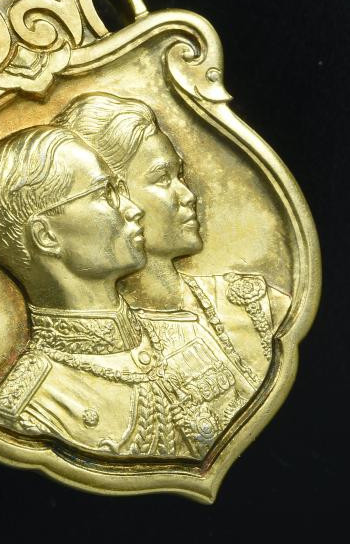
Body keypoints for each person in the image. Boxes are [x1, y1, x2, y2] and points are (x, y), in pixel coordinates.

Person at [0, 126, 192, 457]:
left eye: (118, 189)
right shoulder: (34, 410)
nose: (133, 209)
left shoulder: (187, 335)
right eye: (104, 193)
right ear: (46, 236)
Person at [53, 93, 292, 393]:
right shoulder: (92, 366)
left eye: (179, 175)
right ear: (113, 195)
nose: (188, 195)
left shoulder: (255, 304)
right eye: (162, 179)